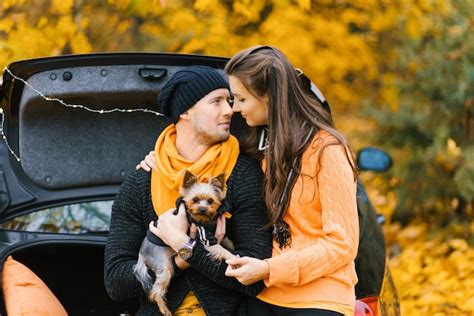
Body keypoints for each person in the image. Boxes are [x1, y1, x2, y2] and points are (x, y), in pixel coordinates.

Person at [139, 46, 359, 316]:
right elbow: (205, 159)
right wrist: (157, 159)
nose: (234, 108)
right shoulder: (258, 150)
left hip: (319, 298)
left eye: (241, 99)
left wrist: (268, 269)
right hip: (265, 295)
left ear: (268, 96)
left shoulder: (328, 149)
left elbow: (342, 245)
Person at [104, 65, 272, 315]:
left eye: (229, 101)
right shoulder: (142, 181)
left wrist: (186, 246)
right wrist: (179, 261)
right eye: (216, 102)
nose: (230, 110)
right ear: (185, 111)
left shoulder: (244, 174)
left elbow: (255, 279)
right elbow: (116, 283)